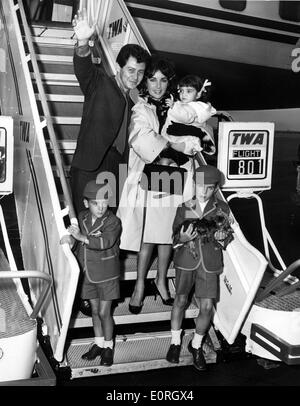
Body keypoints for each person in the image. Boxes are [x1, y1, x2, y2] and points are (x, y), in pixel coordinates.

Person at [117, 56, 204, 314]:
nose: (158, 85)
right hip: (151, 176)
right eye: (152, 79)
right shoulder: (141, 109)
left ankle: (162, 280)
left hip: (176, 176)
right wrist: (172, 147)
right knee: (148, 235)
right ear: (145, 82)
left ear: (170, 83)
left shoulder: (178, 107)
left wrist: (178, 148)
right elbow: (141, 138)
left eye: (163, 80)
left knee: (167, 233)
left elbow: (193, 137)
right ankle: (140, 286)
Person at [70, 8, 150, 214]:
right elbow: (83, 69)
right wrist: (82, 43)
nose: (135, 77)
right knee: (86, 224)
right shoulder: (100, 82)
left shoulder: (133, 102)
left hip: (116, 169)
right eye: (131, 70)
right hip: (91, 166)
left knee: (109, 225)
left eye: (140, 73)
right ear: (119, 67)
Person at [166, 165, 234, 371]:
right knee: (180, 300)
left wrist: (223, 238)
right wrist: (182, 238)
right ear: (195, 184)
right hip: (186, 260)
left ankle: (196, 345)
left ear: (215, 188)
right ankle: (175, 342)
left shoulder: (223, 208)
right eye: (200, 186)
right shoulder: (184, 206)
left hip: (210, 263)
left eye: (209, 188)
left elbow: (227, 234)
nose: (203, 191)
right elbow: (174, 238)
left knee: (206, 307)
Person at [61, 180, 122, 366]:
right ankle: (98, 343)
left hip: (107, 275)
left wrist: (81, 237)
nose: (101, 207)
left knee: (104, 312)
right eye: (96, 203)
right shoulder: (81, 217)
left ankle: (109, 347)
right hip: (88, 273)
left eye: (105, 202)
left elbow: (105, 242)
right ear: (87, 203)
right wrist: (69, 238)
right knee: (95, 311)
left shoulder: (113, 221)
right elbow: (77, 239)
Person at [163, 74, 217, 159]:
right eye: (181, 91)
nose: (183, 94)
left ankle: (204, 142)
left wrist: (173, 106)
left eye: (189, 91)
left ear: (198, 94)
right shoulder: (185, 104)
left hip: (183, 137)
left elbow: (186, 117)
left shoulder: (193, 107)